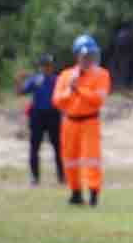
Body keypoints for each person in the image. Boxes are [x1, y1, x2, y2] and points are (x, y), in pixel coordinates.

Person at [53, 34, 112, 207]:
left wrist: (79, 89)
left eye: (92, 55)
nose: (88, 59)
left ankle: (93, 193)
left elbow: (97, 100)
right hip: (69, 121)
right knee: (70, 159)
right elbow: (57, 101)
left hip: (90, 122)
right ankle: (75, 192)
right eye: (85, 55)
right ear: (77, 55)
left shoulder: (102, 75)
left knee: (91, 158)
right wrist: (70, 90)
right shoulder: (65, 76)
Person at [16, 54, 65, 186]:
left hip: (54, 114)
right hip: (37, 115)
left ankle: (62, 176)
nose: (48, 68)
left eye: (50, 65)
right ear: (41, 67)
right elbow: (20, 92)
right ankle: (34, 177)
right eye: (45, 65)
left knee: (58, 147)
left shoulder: (58, 80)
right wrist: (19, 80)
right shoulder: (35, 80)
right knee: (34, 147)